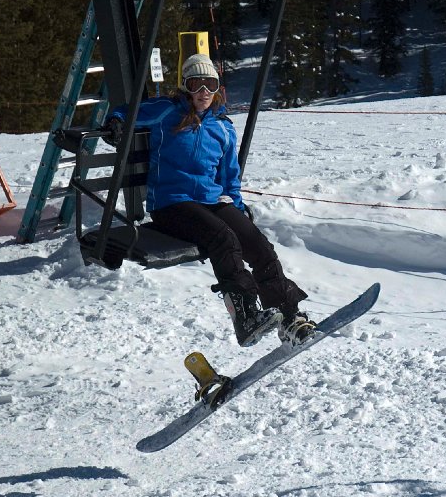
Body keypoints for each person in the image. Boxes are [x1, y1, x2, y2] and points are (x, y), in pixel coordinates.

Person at [102, 53, 316, 348]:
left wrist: (238, 210)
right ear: (186, 86)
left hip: (210, 200)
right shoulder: (167, 110)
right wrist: (115, 121)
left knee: (258, 245)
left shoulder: (223, 126)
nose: (203, 91)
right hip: (171, 203)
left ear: (217, 89)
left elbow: (229, 177)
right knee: (223, 238)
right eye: (196, 84)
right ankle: (245, 316)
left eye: (210, 85)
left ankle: (289, 317)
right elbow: (130, 112)